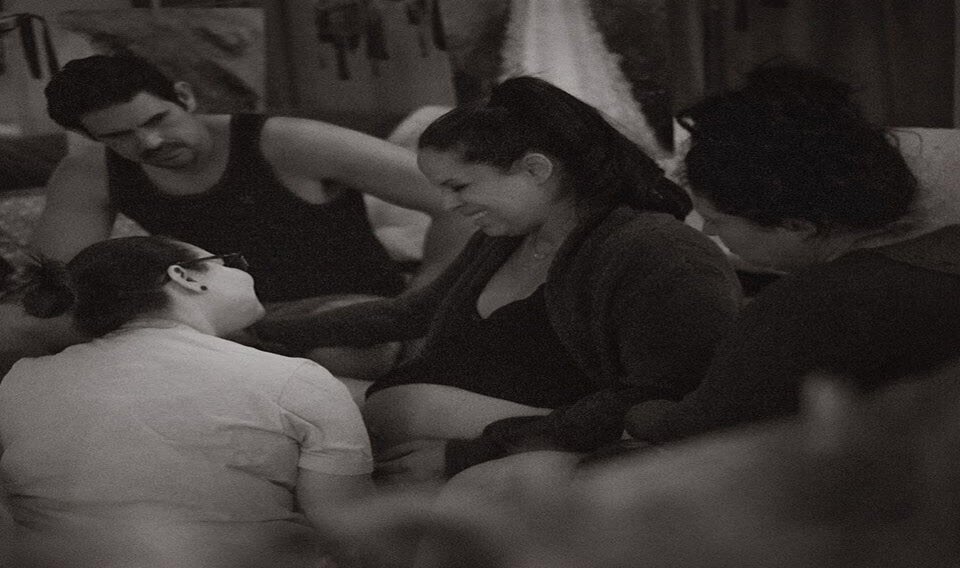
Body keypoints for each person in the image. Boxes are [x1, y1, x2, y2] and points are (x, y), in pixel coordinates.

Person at [256, 76, 742, 483]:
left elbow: (657, 398)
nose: (447, 206)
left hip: (522, 466)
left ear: (535, 169)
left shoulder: (657, 253)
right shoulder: (508, 235)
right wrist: (262, 332)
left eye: (458, 186)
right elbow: (411, 312)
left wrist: (468, 456)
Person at [626, 63, 960, 443]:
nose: (708, 232)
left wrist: (638, 412)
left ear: (797, 226)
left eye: (716, 220)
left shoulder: (811, 305)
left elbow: (698, 429)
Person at [0, 236, 374, 566]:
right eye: (229, 263)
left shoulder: (19, 382)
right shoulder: (297, 380)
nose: (243, 272)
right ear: (185, 276)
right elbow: (352, 533)